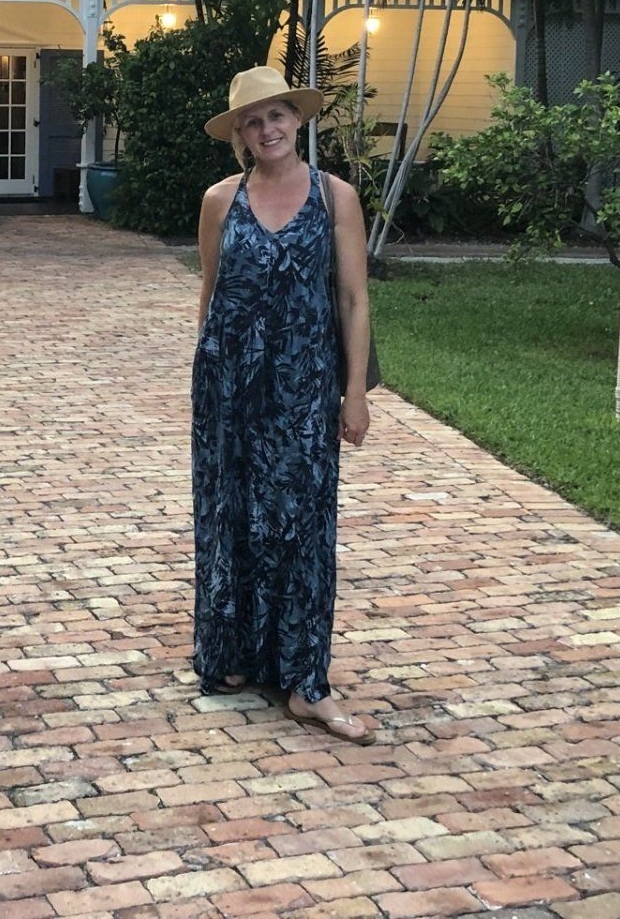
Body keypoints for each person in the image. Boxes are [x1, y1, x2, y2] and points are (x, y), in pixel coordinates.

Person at [190, 64, 376, 743]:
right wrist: (207, 378)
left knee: (301, 526)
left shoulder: (336, 198)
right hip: (228, 383)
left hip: (303, 387)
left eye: (277, 115)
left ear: (297, 121)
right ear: (239, 134)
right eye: (252, 120)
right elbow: (212, 295)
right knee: (231, 514)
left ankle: (305, 682)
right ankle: (235, 656)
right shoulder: (219, 199)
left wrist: (353, 393)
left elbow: (354, 301)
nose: (267, 129)